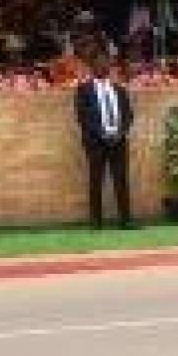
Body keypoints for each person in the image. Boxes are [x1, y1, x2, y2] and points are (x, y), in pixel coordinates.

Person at [73, 54, 136, 229]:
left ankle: (126, 220)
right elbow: (83, 116)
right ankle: (96, 221)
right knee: (96, 180)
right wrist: (101, 134)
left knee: (121, 180)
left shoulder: (119, 89)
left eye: (106, 63)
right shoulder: (83, 90)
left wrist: (120, 132)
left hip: (118, 141)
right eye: (99, 63)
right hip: (96, 142)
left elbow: (128, 115)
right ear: (92, 68)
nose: (103, 66)